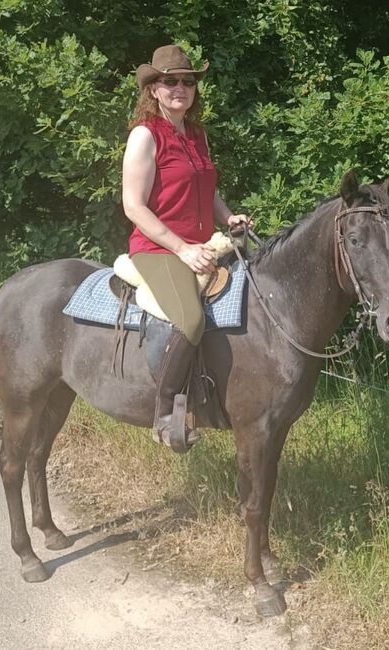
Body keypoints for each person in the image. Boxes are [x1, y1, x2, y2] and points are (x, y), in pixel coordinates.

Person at [122, 44, 250, 451]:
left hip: (200, 244)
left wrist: (228, 217)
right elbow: (133, 206)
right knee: (192, 320)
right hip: (157, 249)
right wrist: (181, 248)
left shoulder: (197, 135)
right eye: (170, 81)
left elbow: (206, 192)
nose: (180, 87)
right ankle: (163, 414)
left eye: (187, 81)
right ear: (154, 89)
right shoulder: (145, 136)